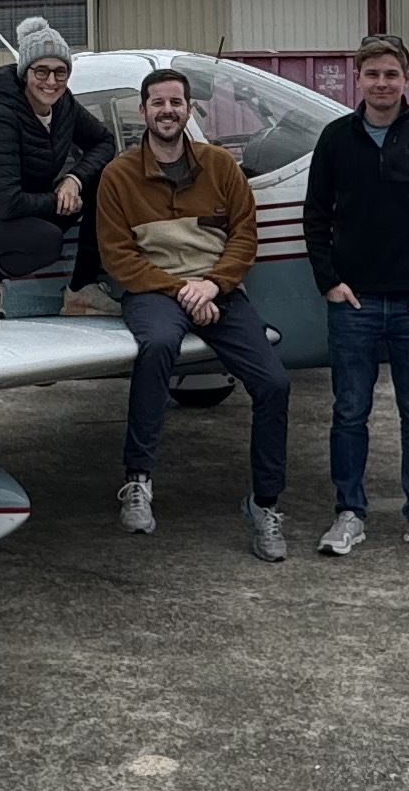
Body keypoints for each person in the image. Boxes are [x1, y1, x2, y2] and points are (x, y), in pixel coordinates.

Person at [92, 62, 293, 557]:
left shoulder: (220, 166)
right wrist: (182, 291)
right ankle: (137, 479)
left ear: (189, 109)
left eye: (176, 102)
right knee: (158, 346)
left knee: (274, 383)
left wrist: (213, 284)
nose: (167, 110)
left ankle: (265, 504)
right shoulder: (118, 176)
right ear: (143, 112)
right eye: (157, 102)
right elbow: (118, 256)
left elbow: (245, 234)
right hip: (153, 291)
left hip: (217, 289)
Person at [301, 33, 409, 557]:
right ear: (358, 78)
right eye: (372, 74)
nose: (381, 83)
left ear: (406, 79)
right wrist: (329, 281)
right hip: (354, 304)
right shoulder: (335, 140)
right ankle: (349, 513)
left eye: (390, 74)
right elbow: (316, 215)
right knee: (350, 411)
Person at [0, 19, 113, 319]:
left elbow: (104, 141)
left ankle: (82, 288)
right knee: (45, 241)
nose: (51, 81)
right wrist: (63, 202)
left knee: (105, 180)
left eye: (61, 72)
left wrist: (74, 180)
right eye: (41, 71)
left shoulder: (64, 105)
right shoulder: (1, 117)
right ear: (25, 73)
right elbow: (6, 203)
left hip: (18, 209)